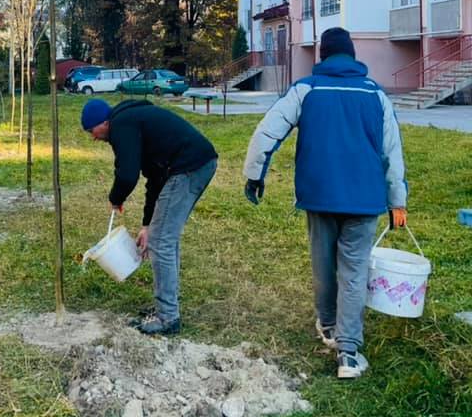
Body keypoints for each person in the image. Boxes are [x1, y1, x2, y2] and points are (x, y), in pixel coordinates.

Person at [242, 27, 408, 380]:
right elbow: (392, 153)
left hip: (319, 195)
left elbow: (267, 132)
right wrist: (398, 201)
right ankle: (349, 353)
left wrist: (255, 175)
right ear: (352, 55)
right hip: (364, 200)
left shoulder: (307, 90)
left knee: (322, 263)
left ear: (322, 56)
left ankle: (328, 325)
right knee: (353, 271)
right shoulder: (375, 94)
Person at [81, 97, 218, 335]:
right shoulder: (134, 121)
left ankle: (167, 317)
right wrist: (146, 224)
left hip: (189, 167)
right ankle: (166, 305)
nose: (93, 137)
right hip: (195, 164)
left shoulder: (122, 124)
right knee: (163, 238)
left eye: (92, 130)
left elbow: (127, 174)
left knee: (161, 242)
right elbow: (155, 178)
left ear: (103, 122)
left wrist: (116, 198)